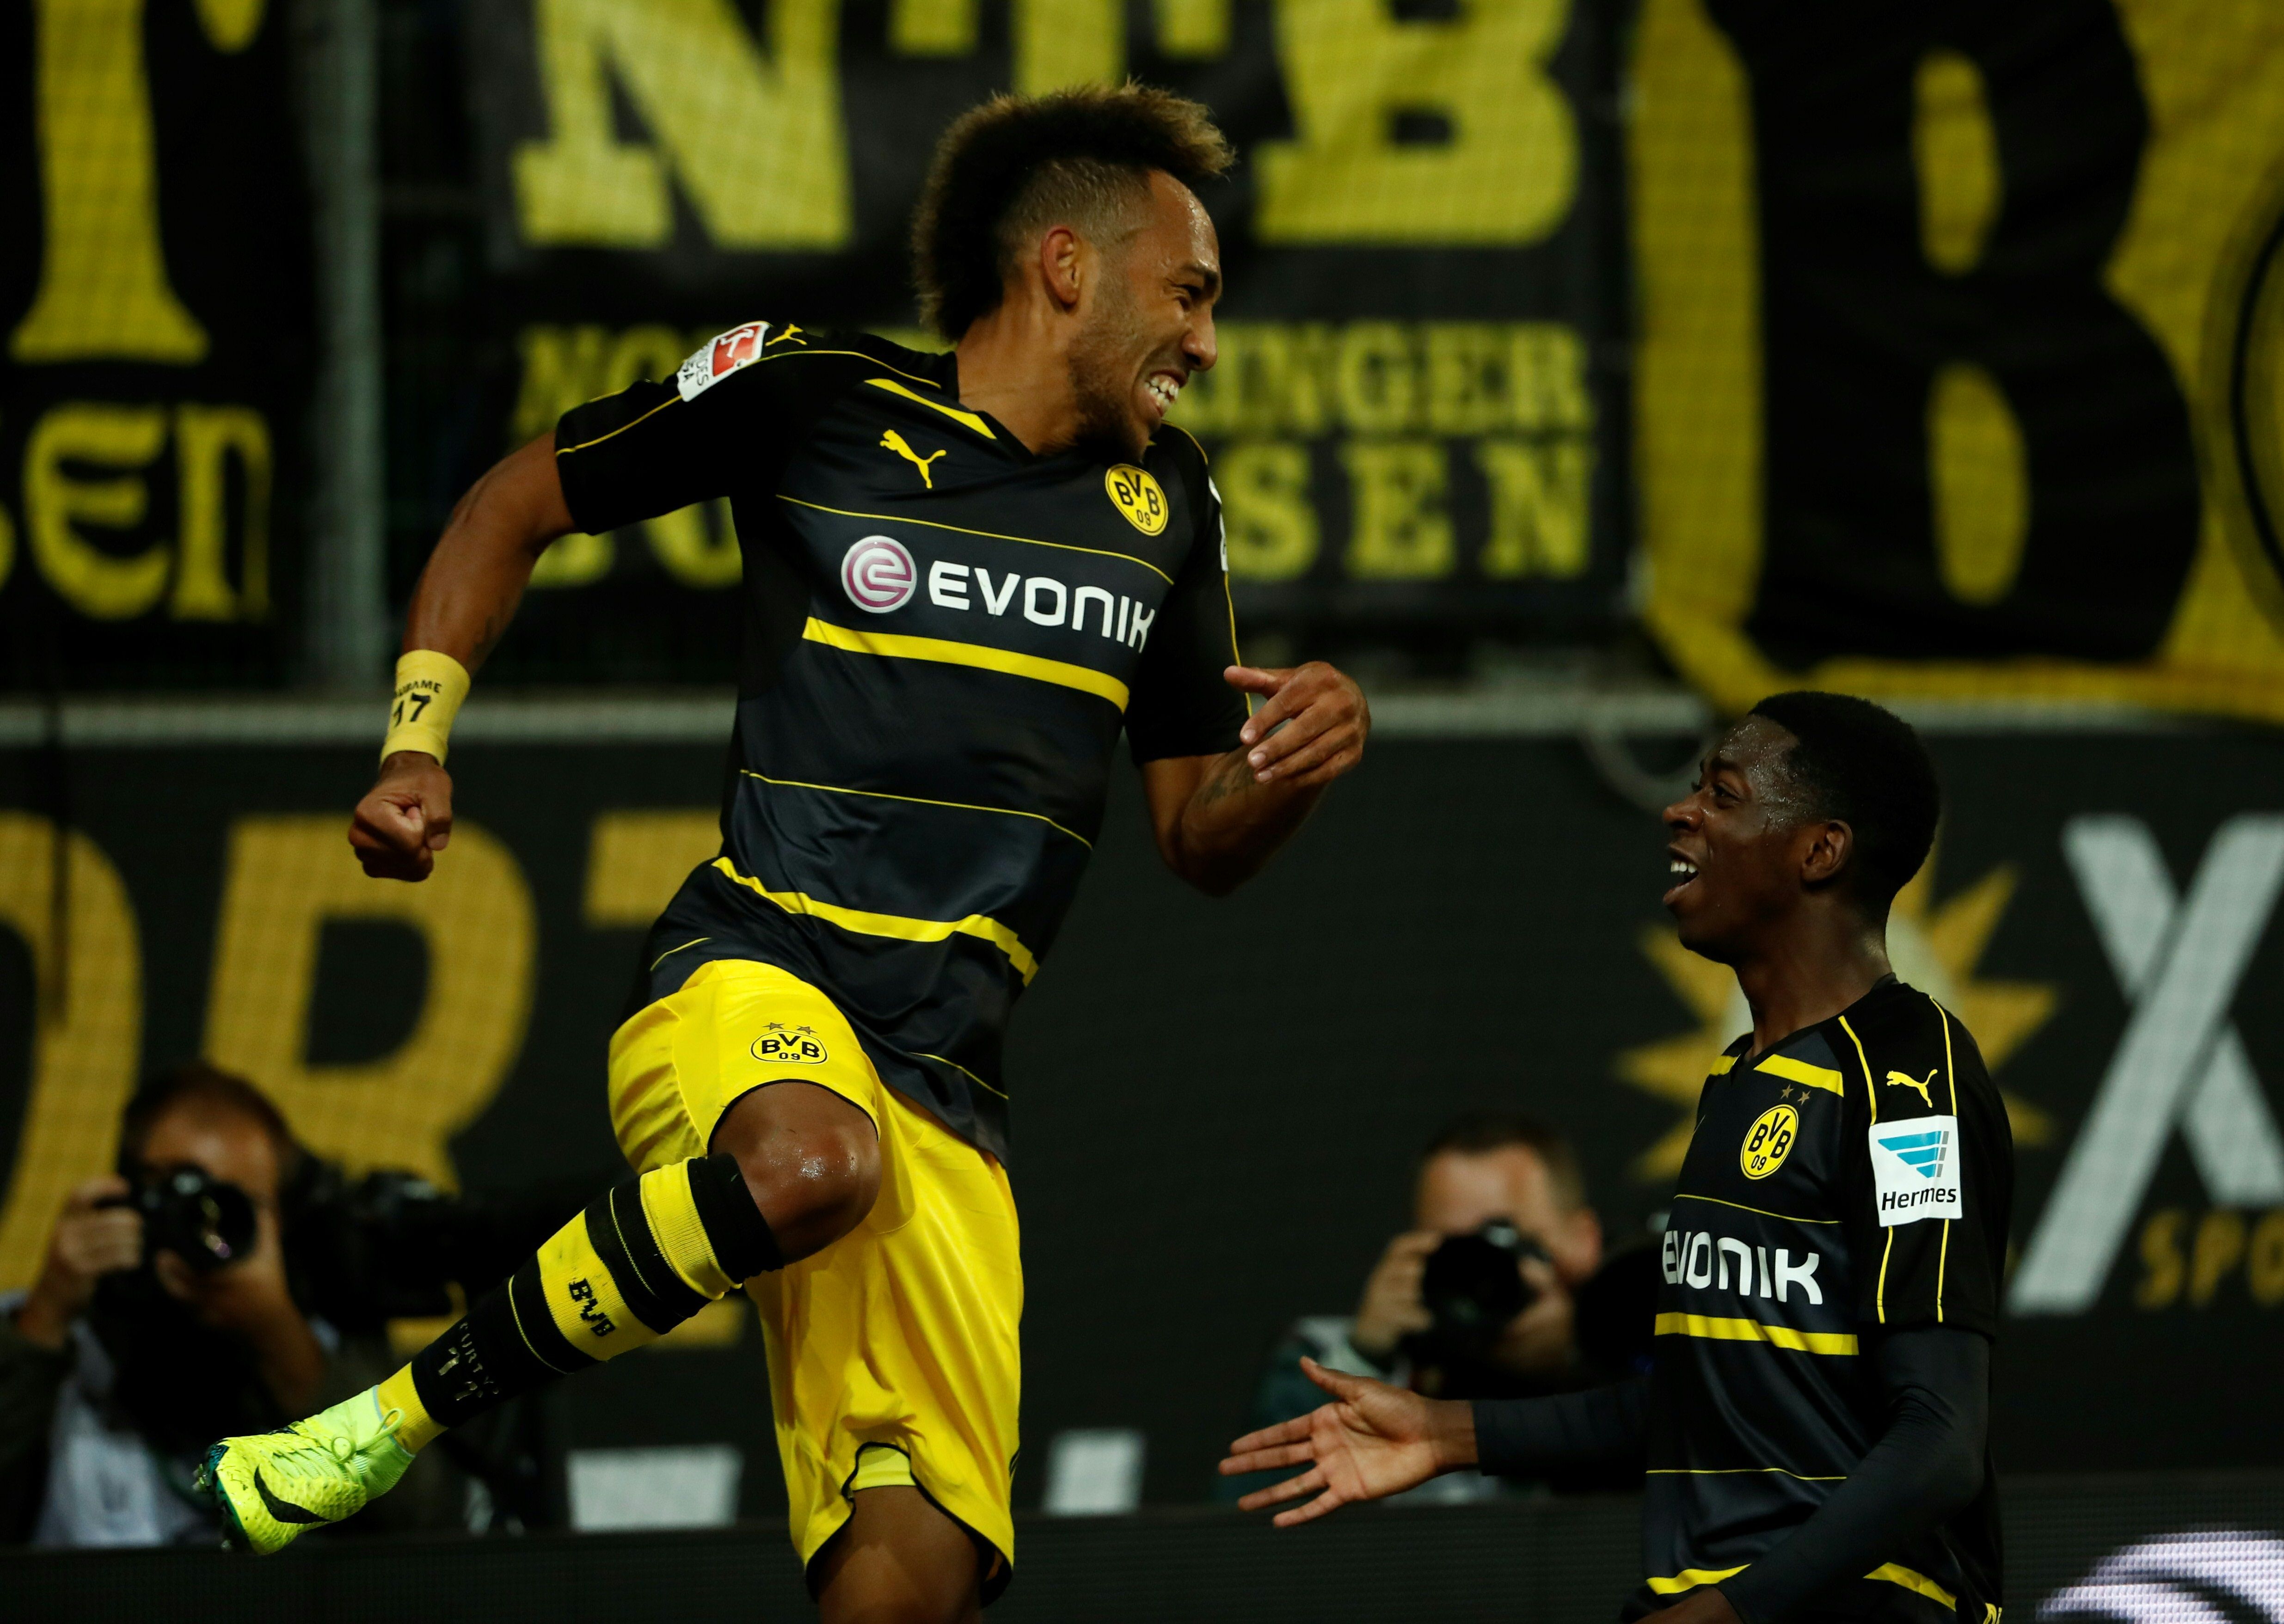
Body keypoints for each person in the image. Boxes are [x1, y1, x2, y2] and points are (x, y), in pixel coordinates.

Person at [200, 82, 1368, 1624]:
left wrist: (1296, 762)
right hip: (758, 962)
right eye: (1191, 292)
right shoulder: (811, 393)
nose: (1207, 342)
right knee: (811, 1162)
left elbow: (1197, 842)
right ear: (1067, 267)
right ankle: (382, 1425)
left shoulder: (1172, 506)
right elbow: (513, 503)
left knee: (911, 1590)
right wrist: (417, 739)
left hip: (951, 1079)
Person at [1222, 692, 2011, 1624]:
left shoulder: (1909, 1073)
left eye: (1722, 793)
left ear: (1818, 850)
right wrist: (1444, 1430)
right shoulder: (1742, 1079)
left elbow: (1939, 1438)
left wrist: (1730, 1613)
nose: (1680, 812)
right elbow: (1705, 1403)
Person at [0, 1065, 468, 1544]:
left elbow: (426, 1522)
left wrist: (278, 1337)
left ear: (281, 1223)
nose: (201, 1230)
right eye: (174, 1192)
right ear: (125, 1195)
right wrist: (44, 1322)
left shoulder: (330, 1348)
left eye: (230, 1206)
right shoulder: (44, 1337)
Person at [1220, 1112, 1605, 1503]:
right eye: (1453, 1250)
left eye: (1503, 1242)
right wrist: (1362, 1359)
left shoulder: (1639, 1360)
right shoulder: (1328, 1354)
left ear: (1582, 1241)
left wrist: (1577, 1357)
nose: (1479, 1272)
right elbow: (1250, 1527)